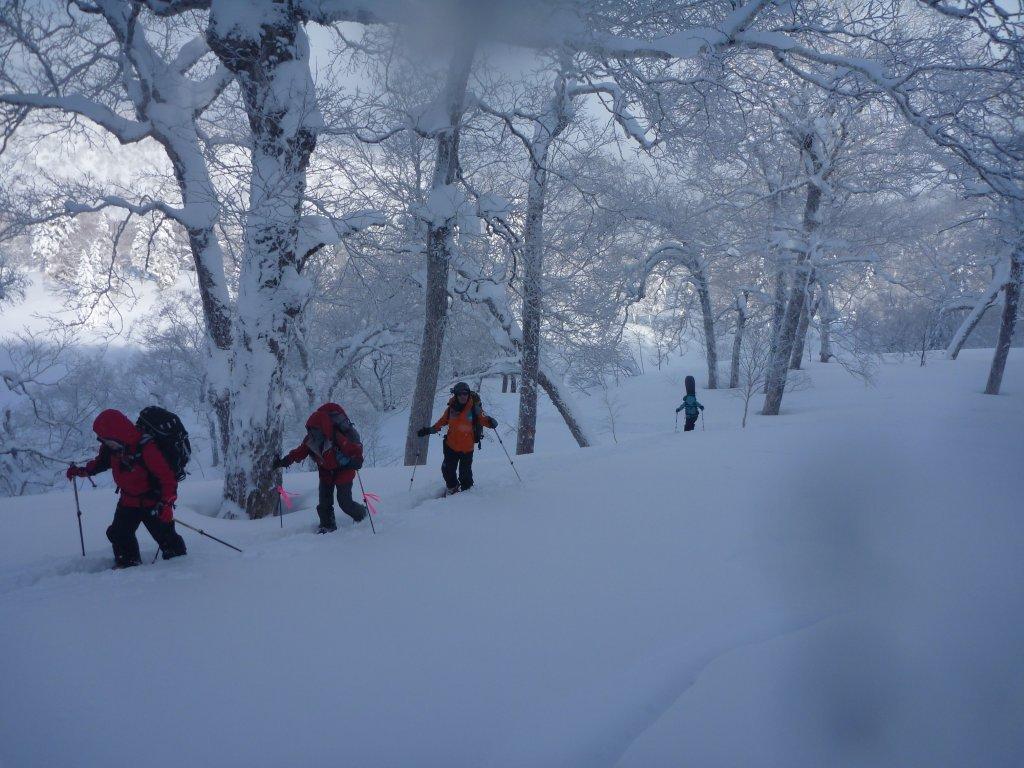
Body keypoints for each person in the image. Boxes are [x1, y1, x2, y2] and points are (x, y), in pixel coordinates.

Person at [66, 409, 185, 568]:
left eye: (106, 439)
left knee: (167, 539)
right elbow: (100, 464)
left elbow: (167, 479)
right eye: (103, 440)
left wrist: (167, 504)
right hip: (128, 501)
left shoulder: (146, 447)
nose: (105, 443)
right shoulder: (112, 447)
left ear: (116, 433)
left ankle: (181, 564)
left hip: (152, 502)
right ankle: (128, 563)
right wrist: (81, 471)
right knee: (119, 534)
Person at [274, 403, 366, 533]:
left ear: (324, 428)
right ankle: (327, 526)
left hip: (344, 471)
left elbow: (354, 449)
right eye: (310, 429)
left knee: (345, 503)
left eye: (316, 429)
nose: (313, 433)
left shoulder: (336, 437)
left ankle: (362, 515)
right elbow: (299, 453)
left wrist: (357, 459)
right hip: (326, 473)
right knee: (324, 503)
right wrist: (283, 462)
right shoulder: (310, 440)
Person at [417, 382, 497, 494]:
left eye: (465, 393)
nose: (463, 396)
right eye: (460, 394)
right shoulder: (451, 409)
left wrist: (491, 422)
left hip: (467, 448)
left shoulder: (474, 408)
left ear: (468, 394)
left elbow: (483, 419)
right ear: (456, 395)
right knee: (447, 470)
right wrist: (429, 430)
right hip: (451, 446)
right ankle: (453, 488)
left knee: (465, 475)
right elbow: (442, 422)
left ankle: (467, 494)